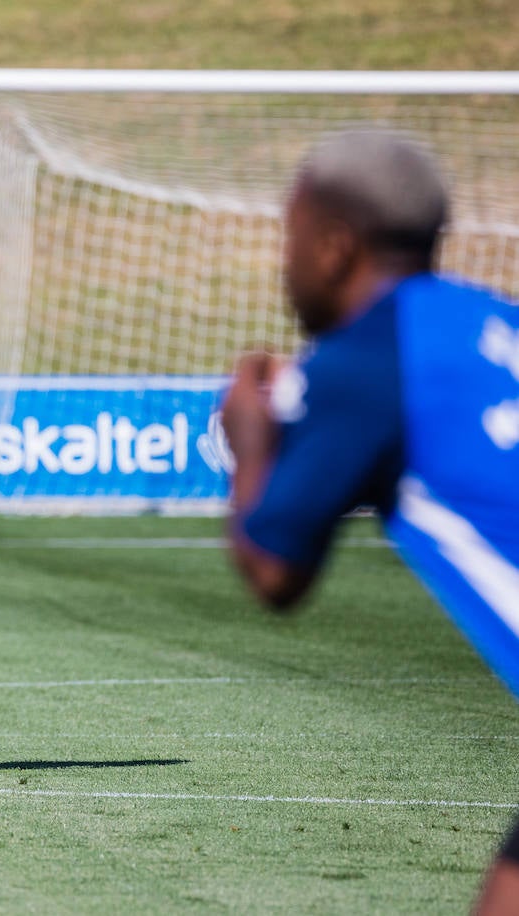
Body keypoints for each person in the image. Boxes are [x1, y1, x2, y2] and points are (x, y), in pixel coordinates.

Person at [222, 130, 519, 914]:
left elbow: (273, 568)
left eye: (288, 238)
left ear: (332, 245)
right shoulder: (494, 321)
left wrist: (249, 443)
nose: (283, 264)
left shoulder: (362, 363)